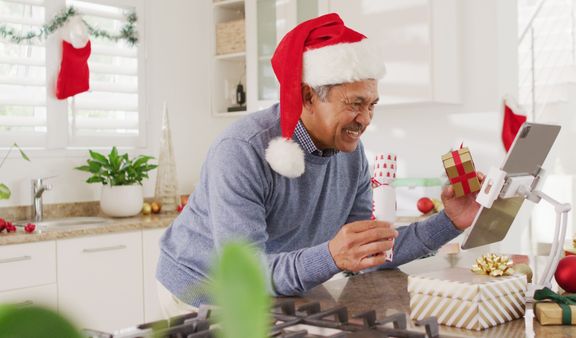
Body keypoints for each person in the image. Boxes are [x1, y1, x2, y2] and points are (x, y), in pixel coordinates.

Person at [156, 13, 481, 313]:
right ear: (308, 96)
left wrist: (450, 221)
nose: (365, 119)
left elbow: (367, 251)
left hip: (276, 289)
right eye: (355, 104)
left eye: (372, 105)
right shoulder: (242, 151)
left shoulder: (351, 156)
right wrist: (332, 255)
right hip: (199, 291)